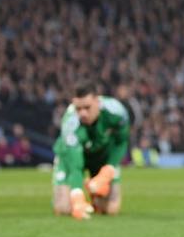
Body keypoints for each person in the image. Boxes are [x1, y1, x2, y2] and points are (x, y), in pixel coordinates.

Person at [52, 84, 130, 220]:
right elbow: (75, 165)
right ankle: (86, 188)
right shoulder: (70, 122)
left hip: (102, 157)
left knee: (111, 209)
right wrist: (77, 195)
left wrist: (109, 170)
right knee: (64, 208)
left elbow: (121, 142)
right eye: (78, 108)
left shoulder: (116, 112)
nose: (82, 113)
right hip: (72, 158)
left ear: (97, 102)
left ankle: (94, 190)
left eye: (87, 108)